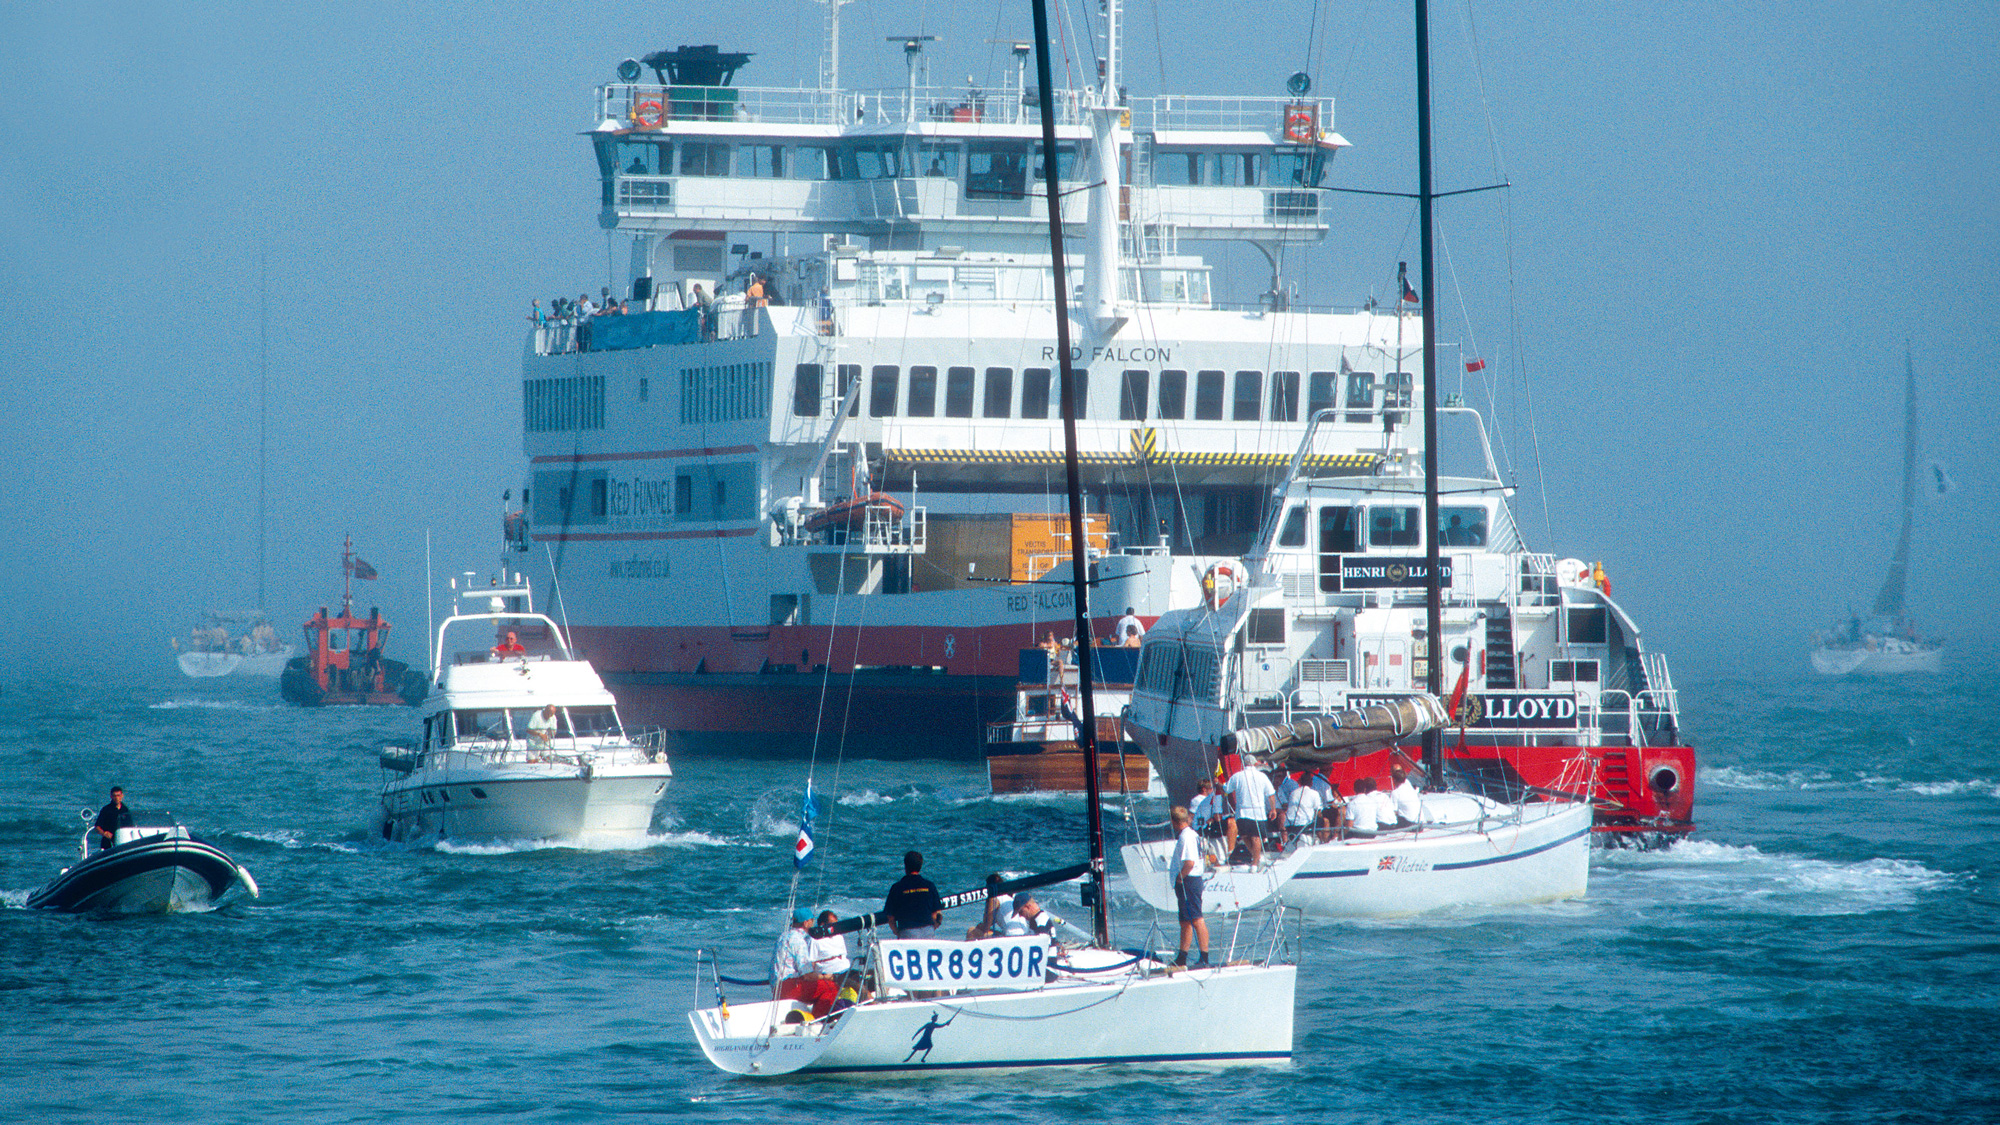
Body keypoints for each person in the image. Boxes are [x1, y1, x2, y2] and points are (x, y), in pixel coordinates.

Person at [771, 906, 838, 1017]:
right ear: (806, 923)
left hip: (776, 988)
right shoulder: (799, 940)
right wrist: (828, 977)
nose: (813, 924)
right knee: (831, 987)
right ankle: (816, 1021)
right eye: (812, 921)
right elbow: (807, 975)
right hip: (789, 987)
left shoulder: (783, 936)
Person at [1168, 806, 1210, 967]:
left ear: (1175, 821)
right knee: (1185, 920)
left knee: (1196, 918)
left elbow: (1190, 863)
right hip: (1189, 881)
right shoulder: (1192, 834)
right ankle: (1182, 956)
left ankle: (1204, 957)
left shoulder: (1186, 837)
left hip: (1189, 881)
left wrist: (1180, 877)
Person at [1223, 760, 1276, 868]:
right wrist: (1273, 809)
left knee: (1245, 836)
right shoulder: (1262, 776)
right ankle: (1255, 862)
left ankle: (1255, 859)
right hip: (1258, 812)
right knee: (1256, 837)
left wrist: (1218, 784)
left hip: (1242, 812)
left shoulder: (1237, 776)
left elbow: (1227, 789)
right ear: (1255, 764)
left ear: (1243, 763)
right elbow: (1271, 794)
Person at [883, 850, 943, 938]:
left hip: (907, 932)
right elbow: (937, 915)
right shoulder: (930, 886)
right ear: (920, 866)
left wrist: (897, 932)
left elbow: (890, 917)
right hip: (928, 931)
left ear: (905, 866)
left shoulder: (897, 888)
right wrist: (933, 927)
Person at [1283, 775, 1325, 848]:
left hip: (1289, 825)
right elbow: (1318, 811)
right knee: (1325, 821)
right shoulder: (1314, 793)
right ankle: (1323, 843)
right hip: (1304, 825)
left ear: (1300, 782)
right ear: (1311, 783)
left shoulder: (1293, 793)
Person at [966, 873, 1012, 940]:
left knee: (971, 931)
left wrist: (987, 903)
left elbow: (986, 926)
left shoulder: (994, 899)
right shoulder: (1009, 898)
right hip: (1021, 934)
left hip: (1010, 936)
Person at [1000, 892, 1065, 939]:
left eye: (1021, 912)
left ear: (1028, 907)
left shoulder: (1040, 922)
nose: (1020, 916)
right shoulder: (1038, 918)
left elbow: (1041, 946)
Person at [808, 910, 851, 975]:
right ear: (822, 925)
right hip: (831, 973)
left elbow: (844, 955)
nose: (835, 927)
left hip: (846, 969)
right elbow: (811, 963)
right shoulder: (815, 940)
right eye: (832, 925)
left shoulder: (839, 937)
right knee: (858, 984)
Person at [93, 786, 133, 852]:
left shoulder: (125, 810)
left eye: (118, 795)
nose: (117, 798)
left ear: (122, 796)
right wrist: (104, 833)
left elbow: (130, 826)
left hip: (122, 842)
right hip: (108, 843)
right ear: (111, 796)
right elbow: (97, 827)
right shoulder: (106, 810)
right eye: (114, 796)